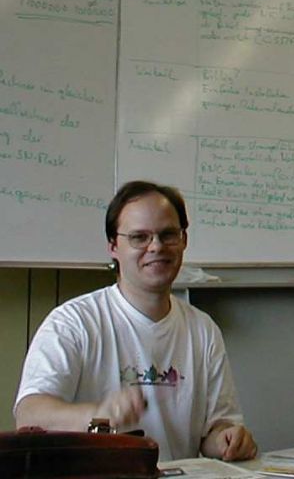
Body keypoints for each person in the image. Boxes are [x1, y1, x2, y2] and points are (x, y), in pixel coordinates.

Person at [14, 180, 257, 462]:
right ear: (113, 246)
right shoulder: (72, 323)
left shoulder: (203, 329)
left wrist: (228, 439)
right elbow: (29, 415)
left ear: (184, 240)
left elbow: (214, 431)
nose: (156, 247)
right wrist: (99, 415)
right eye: (139, 237)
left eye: (168, 235)